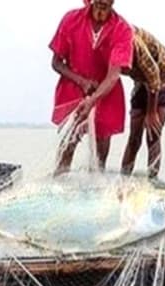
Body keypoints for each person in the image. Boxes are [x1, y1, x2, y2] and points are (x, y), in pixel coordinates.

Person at [49, 0, 134, 174]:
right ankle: (60, 185)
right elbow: (56, 63)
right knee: (67, 144)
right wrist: (81, 81)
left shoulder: (122, 29)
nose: (102, 3)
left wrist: (93, 100)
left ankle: (96, 187)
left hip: (106, 92)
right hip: (73, 89)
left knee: (100, 156)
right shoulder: (71, 19)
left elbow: (113, 76)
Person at [120, 26, 165, 178]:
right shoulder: (104, 44)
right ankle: (123, 180)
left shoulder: (132, 42)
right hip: (141, 81)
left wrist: (151, 113)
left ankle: (153, 180)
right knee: (134, 137)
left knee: (152, 134)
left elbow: (154, 75)